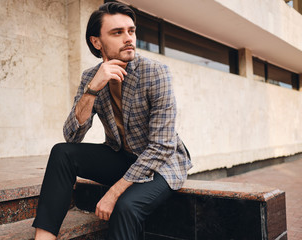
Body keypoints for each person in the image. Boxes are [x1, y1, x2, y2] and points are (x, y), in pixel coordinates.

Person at [33, 2, 192, 240]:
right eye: (117, 32)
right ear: (97, 42)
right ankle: (44, 237)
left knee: (126, 206)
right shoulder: (92, 76)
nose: (128, 38)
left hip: (162, 164)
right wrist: (92, 90)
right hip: (123, 157)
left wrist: (114, 192)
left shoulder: (156, 73)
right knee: (62, 153)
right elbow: (72, 136)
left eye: (131, 30)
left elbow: (162, 146)